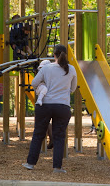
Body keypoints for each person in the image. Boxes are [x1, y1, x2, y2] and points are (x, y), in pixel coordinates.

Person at [23, 44, 77, 173]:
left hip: (45, 104)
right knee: (59, 137)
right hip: (63, 105)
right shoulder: (71, 69)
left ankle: (30, 163)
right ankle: (57, 167)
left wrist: (44, 86)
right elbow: (73, 88)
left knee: (38, 134)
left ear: (54, 55)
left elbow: (34, 83)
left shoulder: (46, 68)